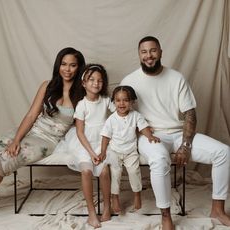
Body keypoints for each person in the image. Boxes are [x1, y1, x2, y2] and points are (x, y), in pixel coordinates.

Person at [121, 36, 230, 230]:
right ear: (139, 54)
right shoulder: (129, 81)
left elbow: (190, 113)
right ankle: (166, 216)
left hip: (178, 133)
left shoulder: (176, 77)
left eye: (153, 50)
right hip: (150, 135)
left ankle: (218, 209)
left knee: (224, 152)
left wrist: (186, 145)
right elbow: (124, 116)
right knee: (160, 157)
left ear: (161, 52)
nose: (149, 55)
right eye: (144, 52)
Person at [0, 47, 85, 188]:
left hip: (48, 140)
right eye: (64, 64)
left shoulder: (83, 93)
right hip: (31, 130)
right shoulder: (47, 85)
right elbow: (31, 115)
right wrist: (16, 140)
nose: (67, 69)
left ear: (79, 68)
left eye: (72, 65)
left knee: (6, 158)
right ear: (58, 65)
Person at [63, 64, 114, 228]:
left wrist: (102, 150)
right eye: (91, 79)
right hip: (84, 144)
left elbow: (120, 114)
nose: (96, 83)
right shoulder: (82, 105)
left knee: (105, 172)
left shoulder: (106, 101)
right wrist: (91, 153)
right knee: (87, 171)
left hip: (102, 142)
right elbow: (79, 132)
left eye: (100, 80)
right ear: (84, 83)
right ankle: (92, 212)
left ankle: (107, 207)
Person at [100, 85, 160, 214]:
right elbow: (105, 136)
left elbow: (143, 127)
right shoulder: (111, 119)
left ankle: (137, 195)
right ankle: (114, 197)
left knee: (134, 172)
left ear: (132, 102)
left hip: (131, 152)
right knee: (115, 174)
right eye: (118, 100)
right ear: (114, 102)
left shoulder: (136, 116)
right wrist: (103, 151)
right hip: (115, 151)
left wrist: (150, 136)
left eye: (126, 100)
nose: (122, 103)